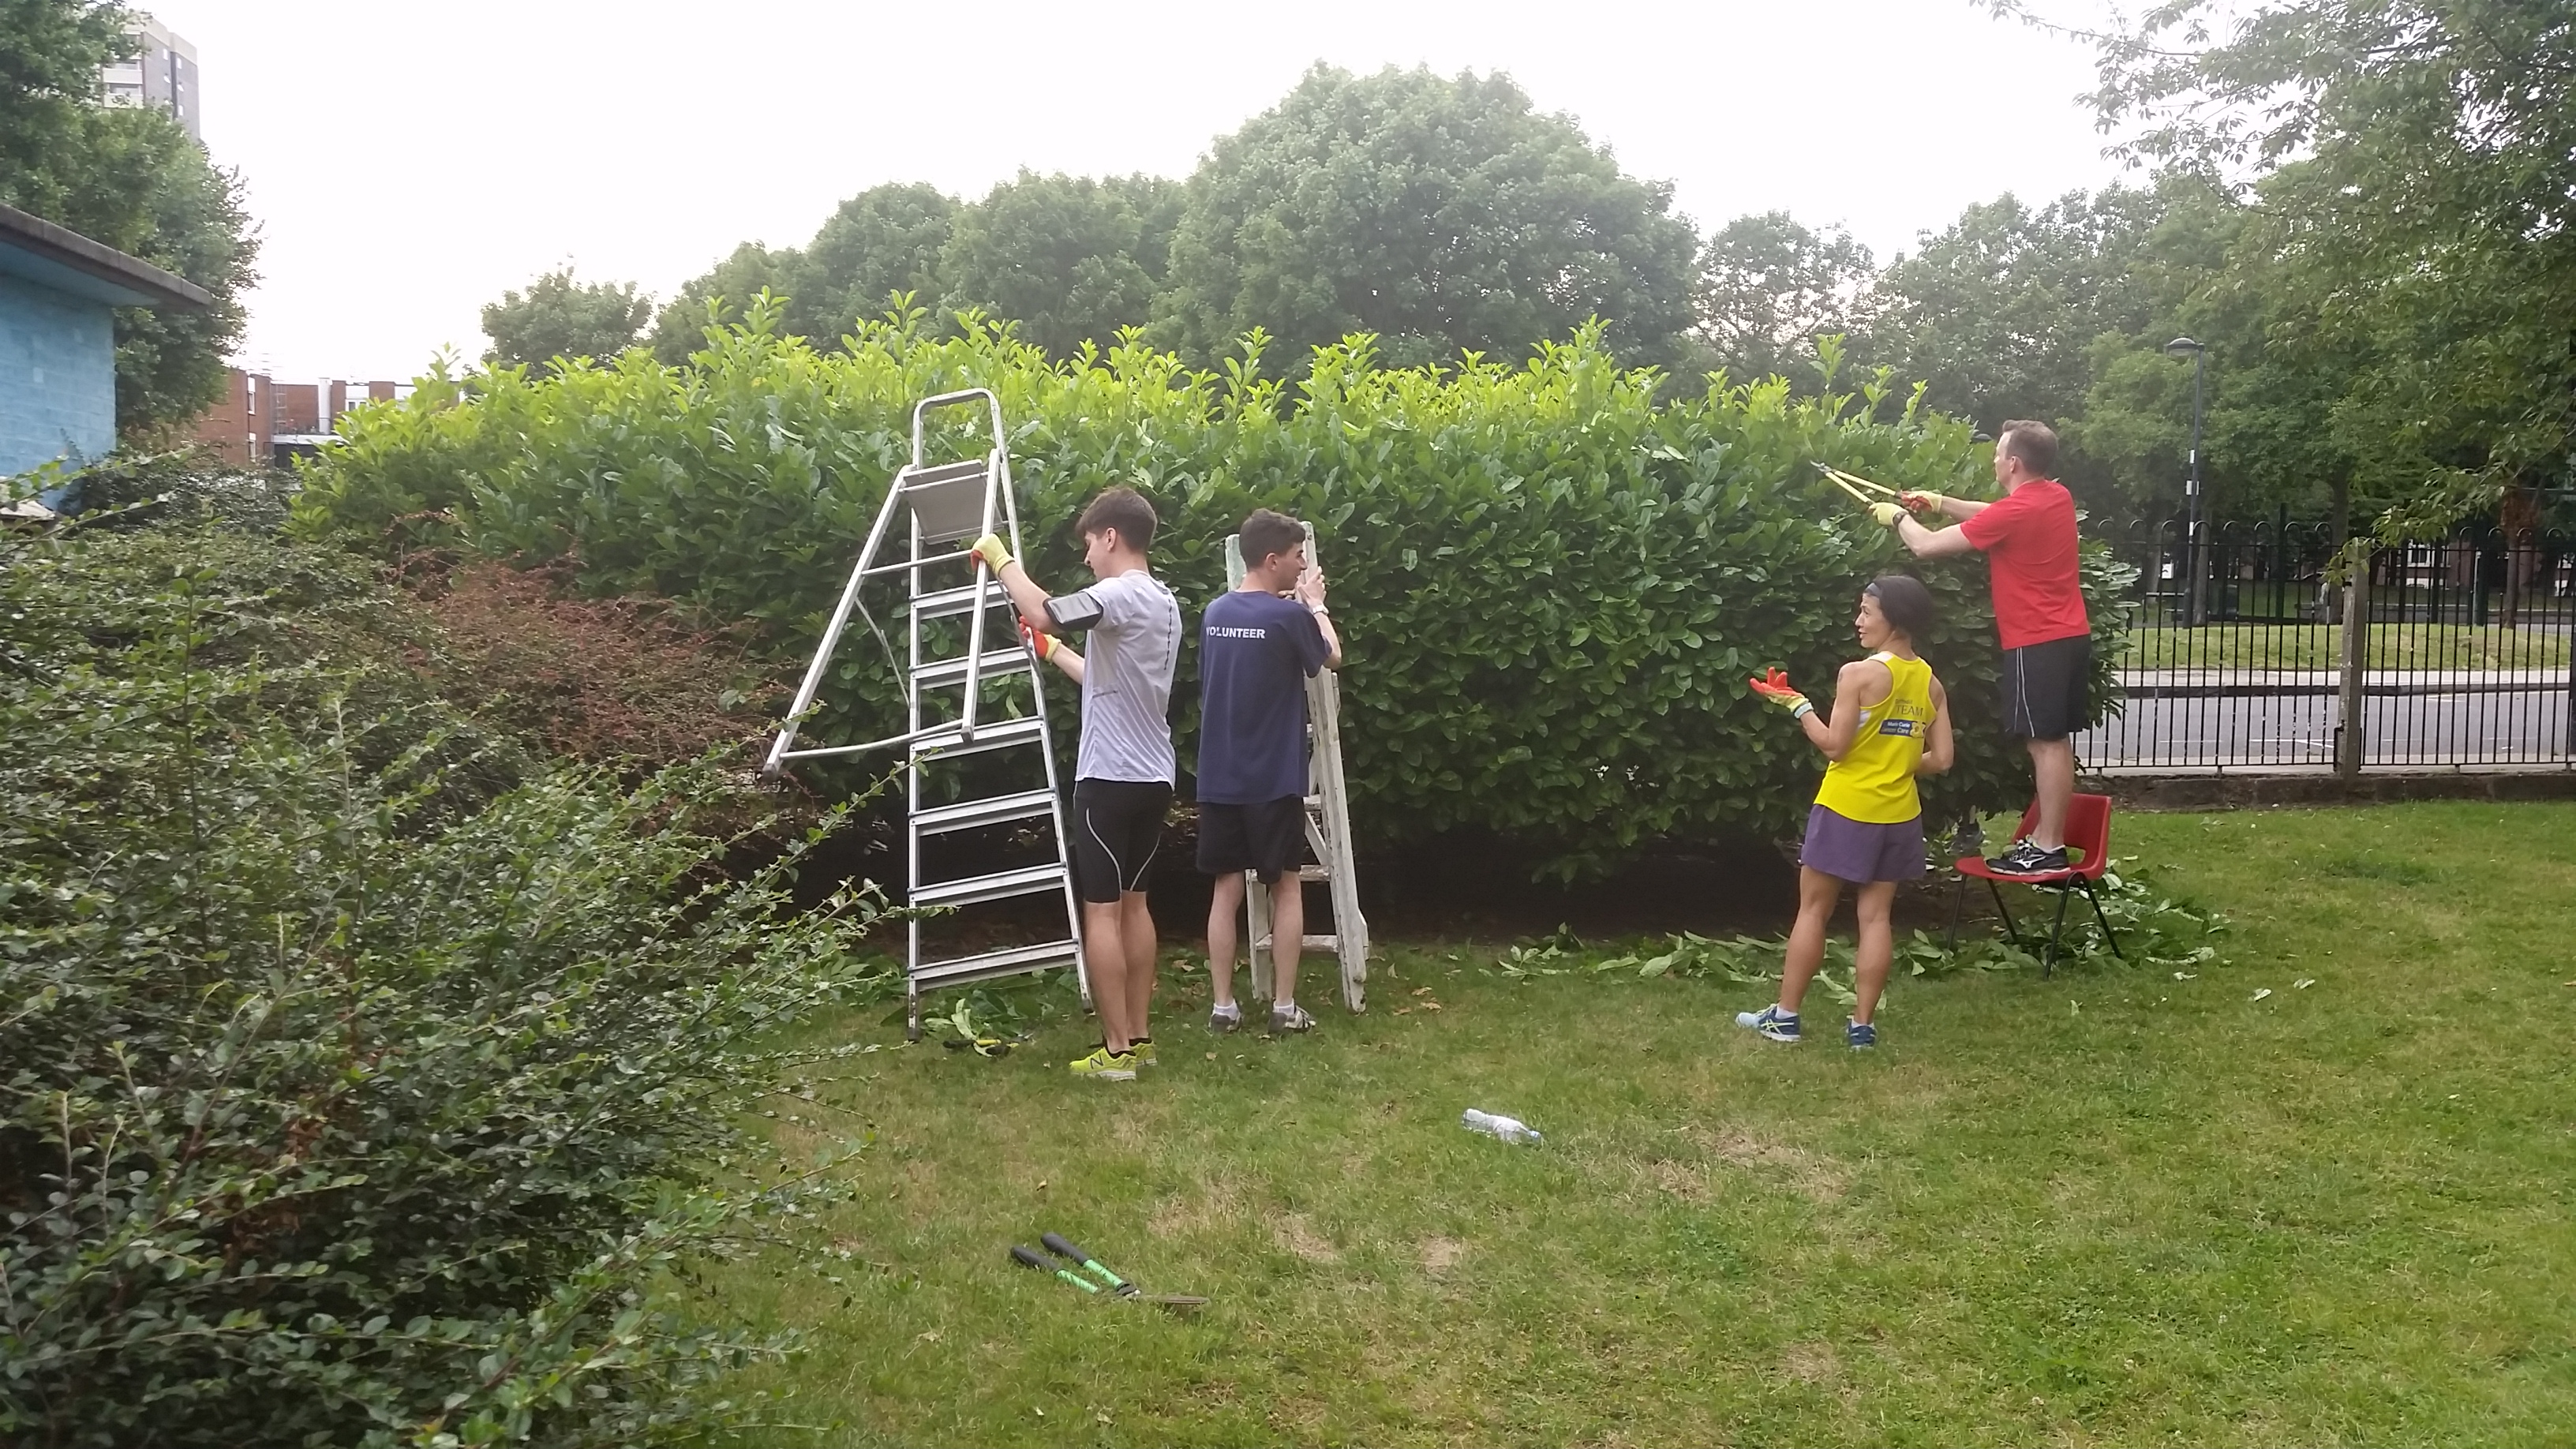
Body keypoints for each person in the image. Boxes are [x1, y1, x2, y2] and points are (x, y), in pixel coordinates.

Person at [972, 486, 1181, 1082]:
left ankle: (1115, 1055)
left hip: (1107, 781)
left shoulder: (1116, 593)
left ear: (1110, 536)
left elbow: (1041, 607)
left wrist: (998, 555)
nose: (1088, 555)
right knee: (1136, 906)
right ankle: (1138, 1038)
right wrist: (1054, 651)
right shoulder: (1162, 602)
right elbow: (1105, 679)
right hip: (1152, 776)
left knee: (1103, 913)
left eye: (1089, 542)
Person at [1736, 575, 1954, 1049]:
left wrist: (1796, 706)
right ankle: (1862, 1028)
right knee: (1876, 918)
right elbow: (1940, 760)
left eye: (1866, 612)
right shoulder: (1930, 683)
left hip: (1845, 807)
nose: (1858, 622)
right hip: (1899, 814)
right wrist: (1894, 757)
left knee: (1813, 909)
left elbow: (1835, 747)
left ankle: (1786, 1019)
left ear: (1892, 619)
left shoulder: (1857, 674)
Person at [1876, 421, 2090, 876]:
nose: (1994, 460)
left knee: (2045, 743)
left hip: (2038, 639)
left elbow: (1926, 546)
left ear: (2013, 463)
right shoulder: (2055, 496)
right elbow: (1997, 512)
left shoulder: (2015, 513)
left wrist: (1898, 518)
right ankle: (2046, 841)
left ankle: (2048, 846)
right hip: (2067, 635)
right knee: (2052, 741)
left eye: (1998, 453)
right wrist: (1939, 502)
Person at [1195, 509, 1342, 1035]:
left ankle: (1223, 1006)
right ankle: (1283, 1006)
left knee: (1225, 889)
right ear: (1273, 559)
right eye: (1298, 556)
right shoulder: (1290, 618)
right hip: (1273, 777)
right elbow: (1333, 657)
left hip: (1219, 774)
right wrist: (1316, 605)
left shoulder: (1214, 613)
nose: (1303, 564)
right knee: (1285, 886)